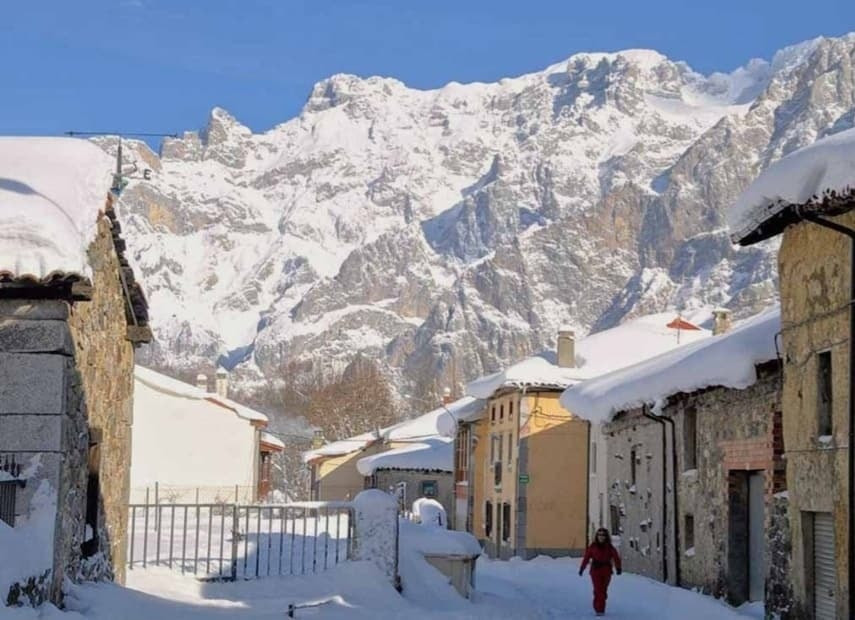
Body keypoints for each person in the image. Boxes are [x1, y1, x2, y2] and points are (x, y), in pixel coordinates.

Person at [578, 527, 622, 616]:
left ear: (606, 537)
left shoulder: (609, 547)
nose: (601, 537)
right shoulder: (593, 546)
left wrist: (618, 568)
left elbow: (616, 557)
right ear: (597, 536)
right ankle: (599, 609)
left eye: (603, 535)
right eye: (599, 535)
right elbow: (586, 558)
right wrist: (582, 568)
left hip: (606, 571)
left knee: (603, 590)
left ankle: (600, 606)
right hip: (595, 571)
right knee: (598, 590)